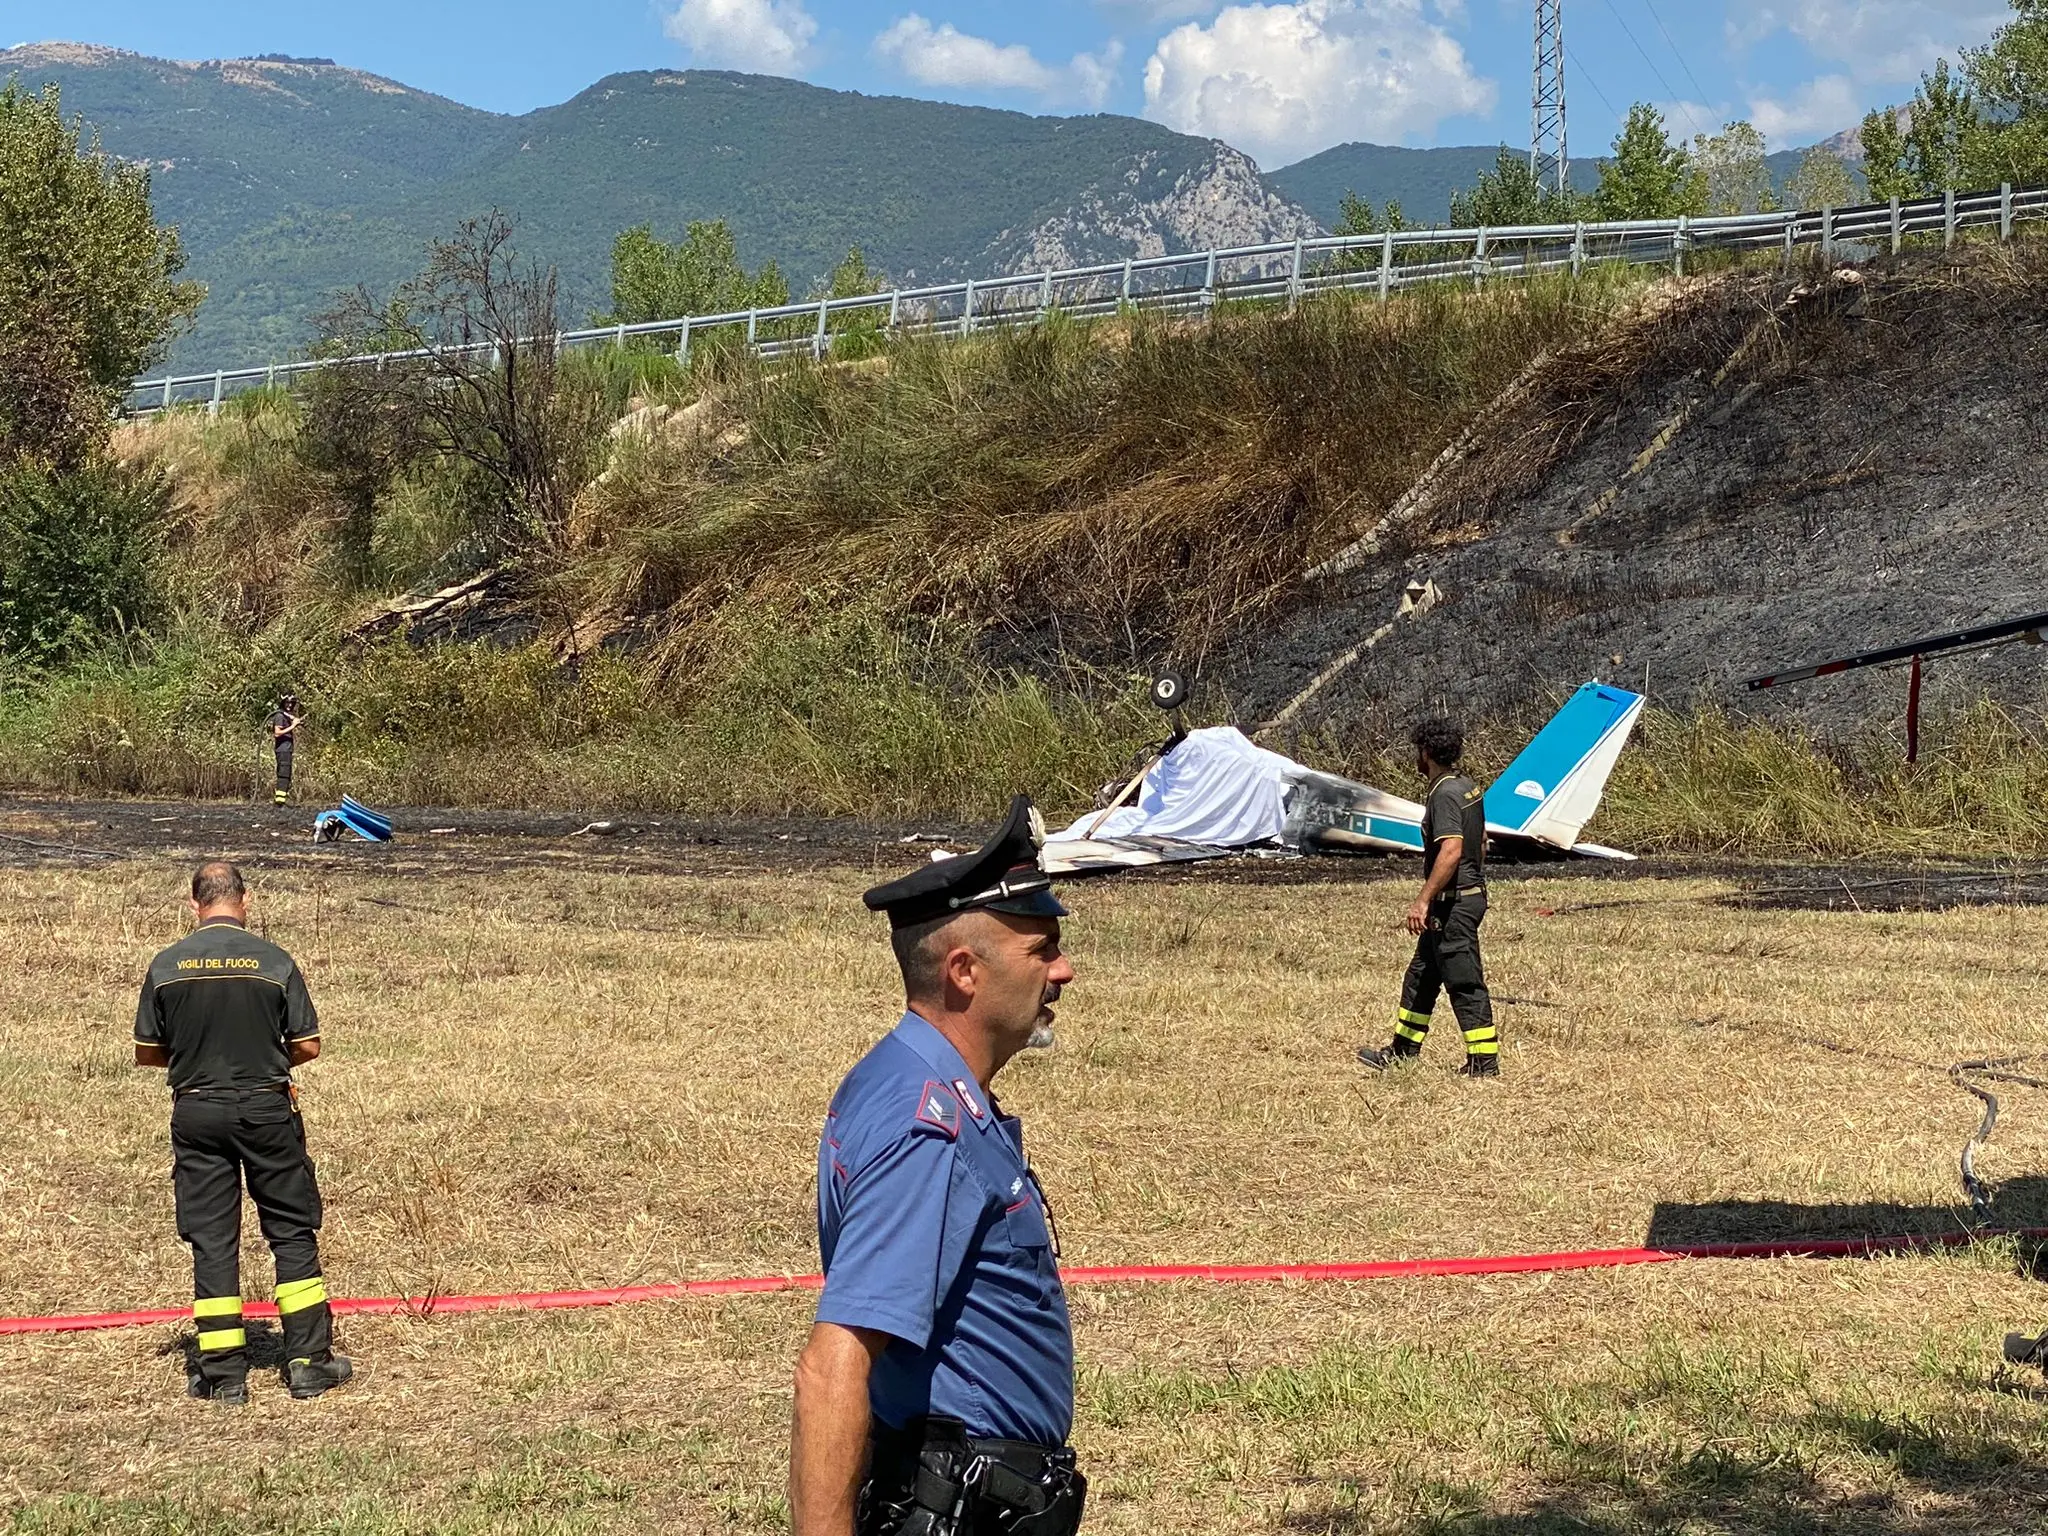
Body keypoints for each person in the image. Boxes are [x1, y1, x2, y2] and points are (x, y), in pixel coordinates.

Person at [790, 796, 1087, 1536]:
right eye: (1041, 949)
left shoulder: (910, 1081)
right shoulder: (928, 1126)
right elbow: (832, 1367)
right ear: (964, 971)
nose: (1064, 971)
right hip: (960, 1507)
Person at [133, 860, 352, 1405]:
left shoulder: (166, 966)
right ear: (245, 899)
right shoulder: (275, 962)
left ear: (194, 905)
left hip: (197, 1111)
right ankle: (308, 1362)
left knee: (212, 1238)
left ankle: (223, 1375)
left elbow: (148, 1053)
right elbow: (308, 1045)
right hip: (267, 1110)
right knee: (291, 1229)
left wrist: (201, 1060)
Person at [1356, 717, 1501, 1076]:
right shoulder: (1465, 785)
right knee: (1421, 976)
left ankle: (1483, 1062)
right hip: (1460, 897)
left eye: (1417, 751)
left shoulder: (1444, 794)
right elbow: (1480, 840)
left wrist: (1423, 899)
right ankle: (1402, 1052)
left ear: (1427, 752)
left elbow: (1451, 849)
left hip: (1454, 903)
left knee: (1463, 979)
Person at [270, 694, 300, 805]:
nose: (289, 705)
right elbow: (277, 733)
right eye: (287, 702)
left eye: (291, 703)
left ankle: (282, 800)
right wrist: (293, 726)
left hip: (287, 749)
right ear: (283, 703)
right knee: (283, 774)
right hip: (283, 750)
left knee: (286, 773)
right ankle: (280, 802)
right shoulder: (279, 716)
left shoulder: (285, 715)